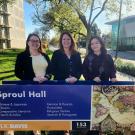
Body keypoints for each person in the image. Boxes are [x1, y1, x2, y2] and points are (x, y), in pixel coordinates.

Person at [15, 33, 51, 135]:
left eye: (37, 41)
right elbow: (17, 73)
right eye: (33, 41)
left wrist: (46, 77)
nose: (35, 43)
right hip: (30, 88)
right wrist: (32, 79)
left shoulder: (44, 55)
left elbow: (50, 70)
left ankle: (44, 129)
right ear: (28, 42)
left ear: (40, 43)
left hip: (45, 87)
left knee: (44, 110)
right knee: (33, 110)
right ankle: (36, 131)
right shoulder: (22, 56)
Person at [50, 31, 82, 135]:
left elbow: (80, 69)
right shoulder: (56, 54)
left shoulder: (77, 54)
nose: (66, 41)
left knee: (72, 108)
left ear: (72, 41)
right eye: (64, 39)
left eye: (68, 39)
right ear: (61, 41)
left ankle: (71, 129)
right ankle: (60, 129)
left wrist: (76, 77)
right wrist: (65, 79)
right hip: (60, 86)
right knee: (61, 108)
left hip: (74, 86)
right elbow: (52, 69)